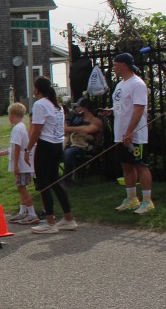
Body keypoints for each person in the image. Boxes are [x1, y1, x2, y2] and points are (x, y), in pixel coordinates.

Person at [25, 76, 78, 234]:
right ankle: (68, 218)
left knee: (43, 184)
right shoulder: (57, 106)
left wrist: (28, 149)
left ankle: (49, 222)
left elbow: (37, 130)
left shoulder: (40, 104)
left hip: (45, 146)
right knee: (54, 181)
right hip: (57, 145)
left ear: (37, 89)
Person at [103, 52, 154, 214]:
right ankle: (131, 198)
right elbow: (122, 106)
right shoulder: (120, 84)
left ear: (124, 65)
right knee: (126, 165)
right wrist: (110, 110)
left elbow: (138, 108)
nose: (113, 68)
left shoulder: (137, 84)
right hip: (120, 133)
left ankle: (147, 201)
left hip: (135, 134)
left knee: (140, 165)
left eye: (115, 65)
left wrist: (130, 131)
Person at [0, 102, 38, 224]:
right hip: (22, 164)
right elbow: (13, 148)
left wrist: (16, 165)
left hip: (22, 165)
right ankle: (22, 212)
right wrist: (0, 153)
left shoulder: (17, 129)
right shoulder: (20, 127)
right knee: (20, 187)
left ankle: (32, 213)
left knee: (22, 188)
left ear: (12, 115)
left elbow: (17, 147)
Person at [62, 98, 104, 184]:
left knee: (68, 152)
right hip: (71, 143)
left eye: (77, 107)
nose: (75, 109)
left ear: (84, 108)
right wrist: (67, 121)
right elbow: (64, 130)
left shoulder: (96, 121)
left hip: (85, 146)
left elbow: (88, 129)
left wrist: (69, 128)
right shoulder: (76, 119)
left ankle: (67, 179)